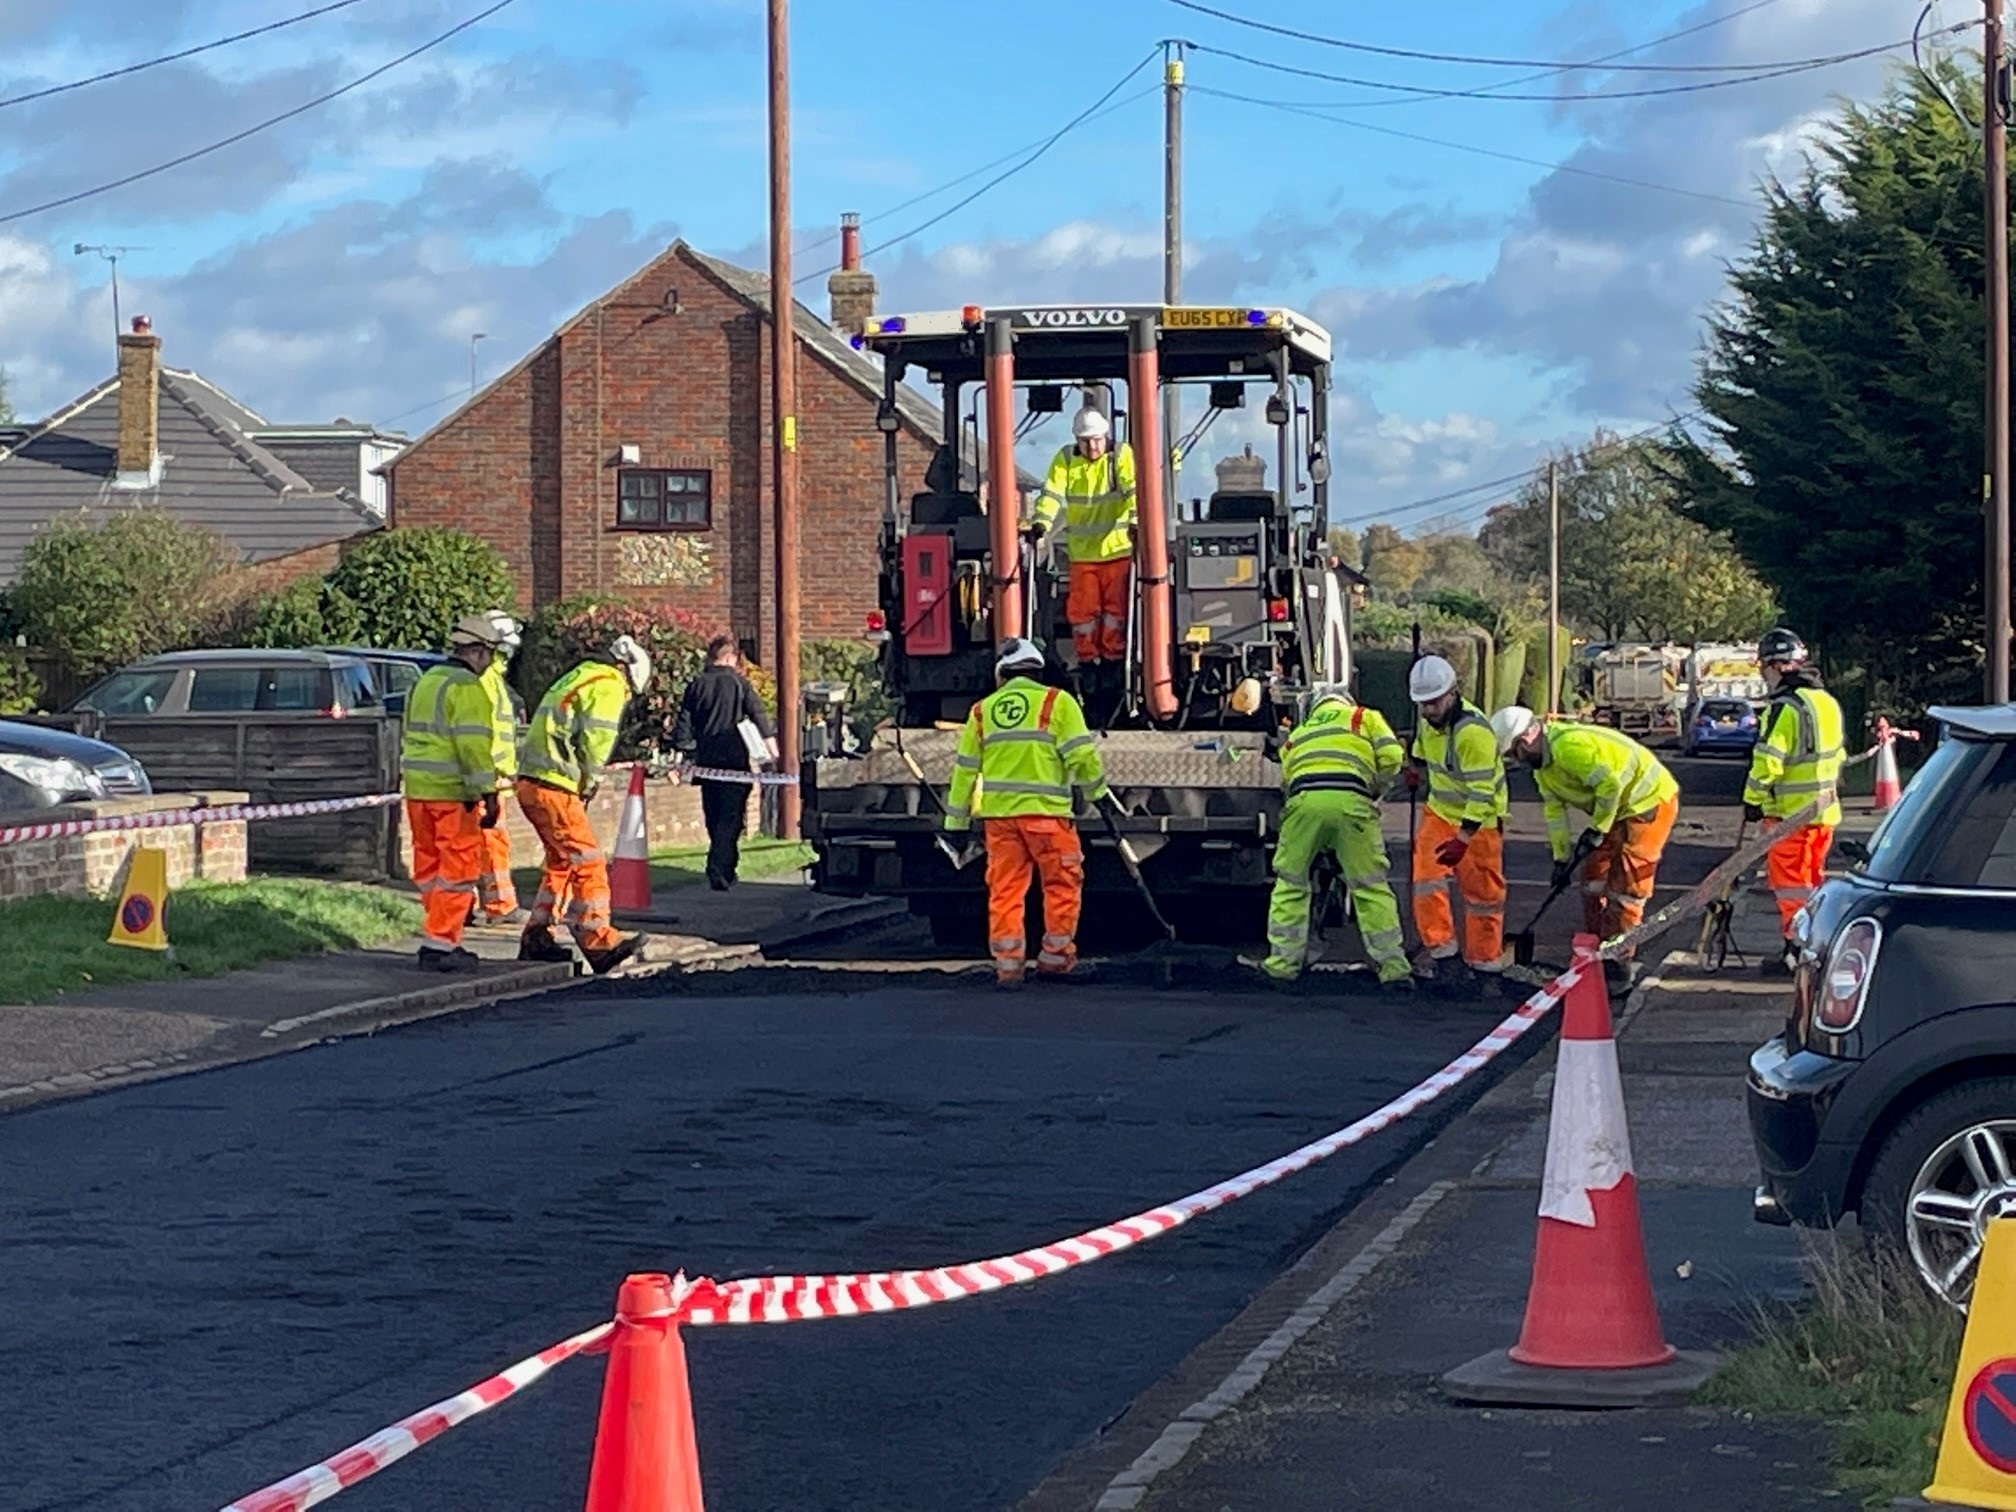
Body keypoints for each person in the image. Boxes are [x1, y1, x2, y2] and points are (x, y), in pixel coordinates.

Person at [942, 637, 1112, 989]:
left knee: (1005, 891)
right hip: (1047, 818)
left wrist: (955, 824)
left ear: (1003, 673)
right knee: (1061, 885)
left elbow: (964, 773)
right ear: (1037, 670)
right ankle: (1055, 959)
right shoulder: (1057, 703)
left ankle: (1008, 967)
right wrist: (1100, 796)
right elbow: (1082, 757)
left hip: (1001, 822)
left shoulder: (981, 711)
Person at [1493, 706, 1680, 991]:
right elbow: (1555, 812)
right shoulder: (1543, 769)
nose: (1514, 760)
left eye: (1513, 752)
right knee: (1592, 878)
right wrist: (1561, 859)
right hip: (1616, 810)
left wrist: (1598, 829)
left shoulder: (1569, 748)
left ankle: (1618, 962)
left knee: (1626, 889)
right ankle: (1599, 945)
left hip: (1648, 801)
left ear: (1528, 736)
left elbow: (1609, 787)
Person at [1253, 683, 1411, 990]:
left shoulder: (1300, 732)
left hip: (1304, 805)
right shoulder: (1363, 717)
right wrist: (1374, 789)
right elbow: (1392, 756)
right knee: (1370, 887)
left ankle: (1282, 966)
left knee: (1291, 883)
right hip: (1351, 804)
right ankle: (1393, 970)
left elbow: (1286, 777)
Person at [514, 634, 653, 974]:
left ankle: (538, 936)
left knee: (562, 862)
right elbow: (596, 740)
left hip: (532, 781)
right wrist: (590, 782)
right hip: (556, 784)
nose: (627, 697)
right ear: (627, 673)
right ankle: (599, 941)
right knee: (588, 860)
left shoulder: (580, 675)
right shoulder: (608, 684)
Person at [401, 613, 516, 972]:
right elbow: (473, 747)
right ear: (479, 652)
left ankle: (435, 933)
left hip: (418, 790)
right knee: (459, 866)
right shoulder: (467, 688)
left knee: (430, 867)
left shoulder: (426, 681)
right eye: (492, 656)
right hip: (453, 793)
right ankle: (441, 944)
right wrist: (489, 792)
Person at [1744, 627, 1844, 975]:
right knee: (1812, 886)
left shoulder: (1784, 708)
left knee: (1791, 890)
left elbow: (1768, 762)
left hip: (1790, 819)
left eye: (1764, 668)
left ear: (1775, 666)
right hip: (1823, 814)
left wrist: (1752, 800)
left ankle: (1795, 954)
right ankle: (1809, 948)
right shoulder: (1826, 702)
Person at [1028, 406, 1137, 711]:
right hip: (1083, 556)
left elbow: (1134, 492)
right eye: (1086, 441)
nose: (1092, 447)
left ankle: (1113, 665)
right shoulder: (1065, 460)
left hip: (1116, 551)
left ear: (1106, 437)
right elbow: (1051, 495)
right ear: (1077, 440)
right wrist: (1042, 524)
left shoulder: (1121, 457)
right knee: (1083, 615)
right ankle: (1089, 666)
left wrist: (1136, 521)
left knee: (1115, 613)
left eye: (1097, 440)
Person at [1407, 654, 1508, 982]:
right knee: (1426, 881)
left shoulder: (1473, 733)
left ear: (1452, 694)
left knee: (1483, 897)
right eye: (1423, 704)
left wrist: (1463, 838)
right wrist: (1413, 770)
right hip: (1439, 812)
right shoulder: (1427, 722)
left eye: (1434, 703)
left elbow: (1482, 793)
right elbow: (1423, 758)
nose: (1428, 711)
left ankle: (1484, 965)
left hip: (1479, 821)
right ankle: (1443, 954)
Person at [672, 635, 777, 891]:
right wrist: (772, 750)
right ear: (731, 658)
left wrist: (681, 756)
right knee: (730, 818)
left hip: (706, 763)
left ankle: (725, 868)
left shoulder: (696, 685)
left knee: (713, 815)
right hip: (735, 763)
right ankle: (719, 867)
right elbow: (758, 715)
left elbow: (684, 725)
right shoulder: (740, 684)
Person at [473, 610, 527, 926]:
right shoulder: (487, 680)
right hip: (489, 776)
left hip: (492, 774)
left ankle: (470, 905)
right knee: (492, 842)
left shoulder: (491, 679)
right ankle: (500, 905)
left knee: (477, 843)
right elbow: (483, 733)